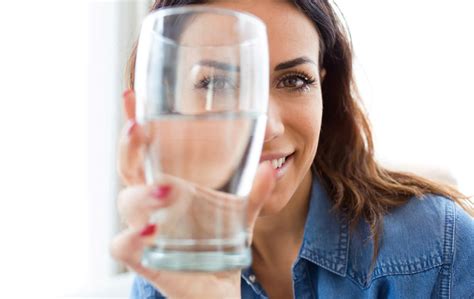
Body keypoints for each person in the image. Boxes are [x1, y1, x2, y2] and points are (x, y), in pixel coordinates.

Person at [110, 0, 474, 298]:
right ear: (164, 103)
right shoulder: (169, 273)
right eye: (218, 82)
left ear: (323, 93)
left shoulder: (440, 250)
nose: (266, 126)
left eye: (294, 80)